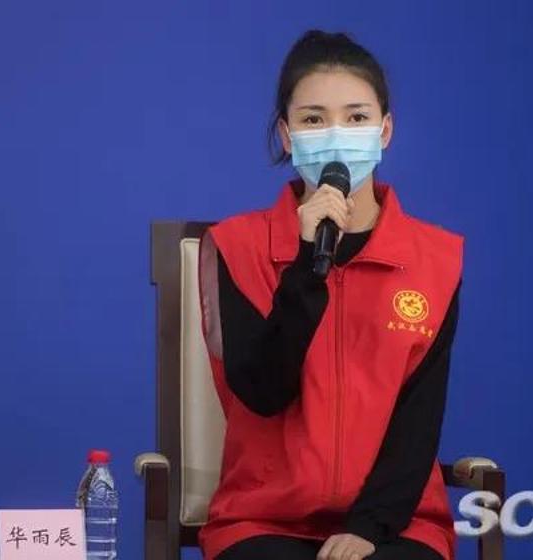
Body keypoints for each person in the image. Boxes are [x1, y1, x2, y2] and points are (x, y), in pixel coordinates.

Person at [197, 30, 463, 560]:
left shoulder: (435, 259)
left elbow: (419, 416)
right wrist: (305, 267)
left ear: (385, 130)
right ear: (287, 134)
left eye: (357, 117)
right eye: (314, 119)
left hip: (397, 524)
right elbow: (262, 391)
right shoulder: (237, 247)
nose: (337, 135)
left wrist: (369, 527)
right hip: (263, 519)